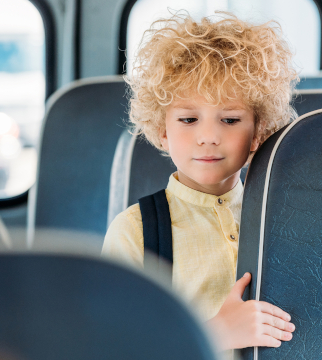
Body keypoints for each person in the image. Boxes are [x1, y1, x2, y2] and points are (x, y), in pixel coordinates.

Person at [102, 12, 297, 351]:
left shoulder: (284, 218)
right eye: (189, 118)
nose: (208, 136)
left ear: (258, 133)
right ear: (163, 131)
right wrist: (214, 334)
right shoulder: (134, 232)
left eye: (230, 119)